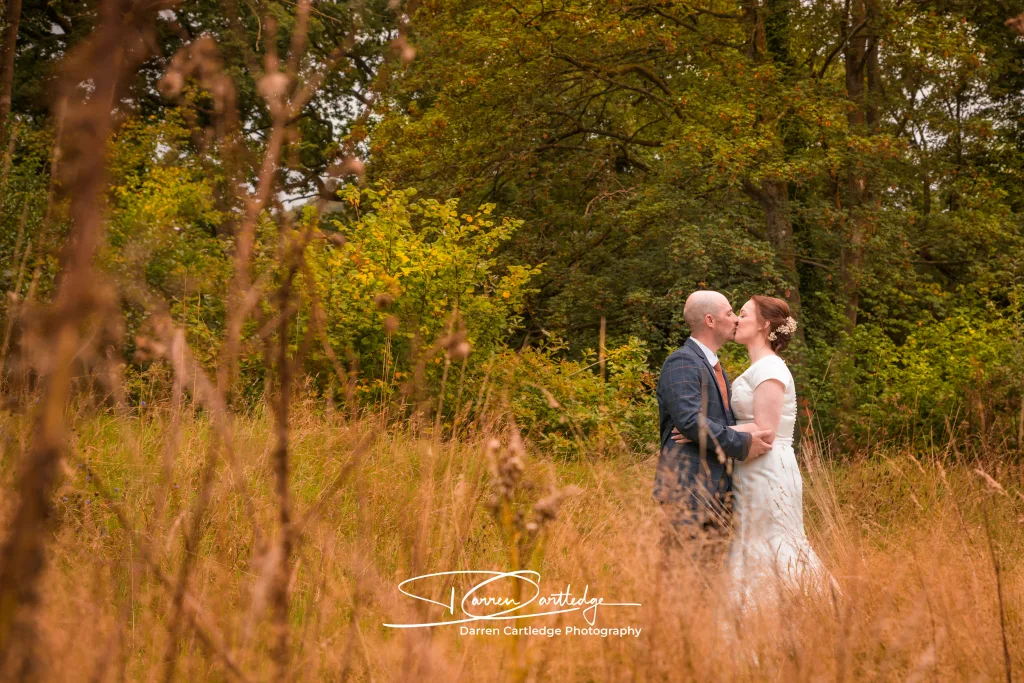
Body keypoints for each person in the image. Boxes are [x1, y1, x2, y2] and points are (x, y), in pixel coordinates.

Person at [672, 295, 839, 607]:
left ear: (764, 325)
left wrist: (699, 431)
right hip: (750, 467)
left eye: (744, 314)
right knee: (751, 542)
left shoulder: (771, 369)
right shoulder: (757, 367)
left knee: (771, 541)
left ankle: (805, 613)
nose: (737, 319)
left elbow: (765, 429)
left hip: (768, 469)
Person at [652, 290, 774, 567]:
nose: (734, 320)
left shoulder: (714, 366)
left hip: (718, 490)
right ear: (710, 320)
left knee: (708, 577)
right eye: (729, 313)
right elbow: (690, 421)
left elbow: (700, 424)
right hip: (688, 489)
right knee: (681, 577)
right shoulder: (682, 361)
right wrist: (742, 443)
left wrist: (704, 428)